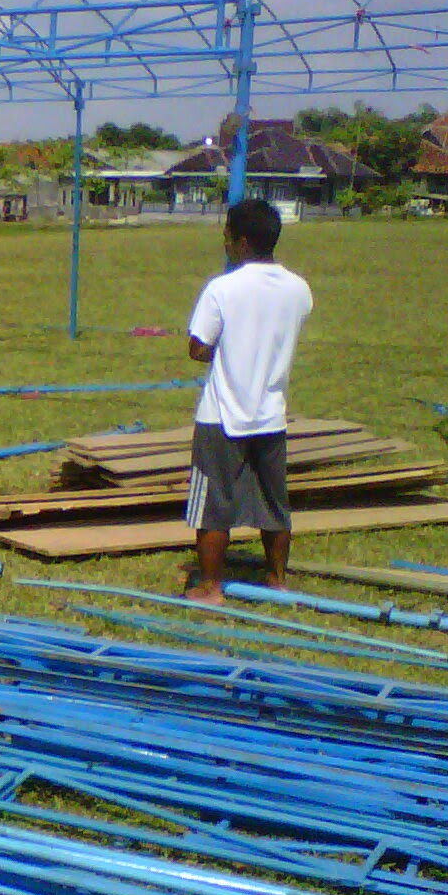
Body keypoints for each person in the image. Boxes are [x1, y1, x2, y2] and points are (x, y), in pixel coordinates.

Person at [183, 198, 312, 604]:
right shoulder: (298, 288)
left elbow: (197, 347)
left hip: (222, 415)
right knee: (274, 503)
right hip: (271, 414)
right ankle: (276, 580)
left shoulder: (222, 288)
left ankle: (209, 586)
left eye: (226, 234)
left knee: (212, 506)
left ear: (240, 242)